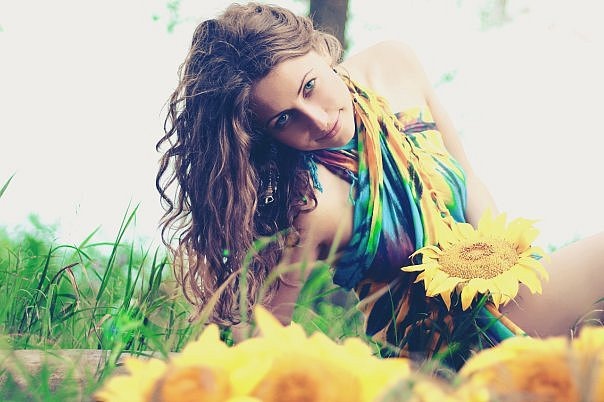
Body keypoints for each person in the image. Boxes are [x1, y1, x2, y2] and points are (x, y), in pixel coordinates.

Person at [156, 2, 604, 364]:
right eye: (285, 119)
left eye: (310, 86)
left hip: (506, 287)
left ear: (320, 49)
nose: (318, 120)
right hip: (444, 351)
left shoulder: (395, 66)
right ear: (267, 137)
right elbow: (264, 333)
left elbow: (469, 180)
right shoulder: (311, 204)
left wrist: (505, 263)